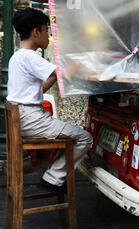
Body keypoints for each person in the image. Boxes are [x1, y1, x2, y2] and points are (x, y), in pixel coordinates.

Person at [7, 8, 93, 194]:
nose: (49, 35)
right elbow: (66, 73)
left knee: (72, 136)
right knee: (84, 137)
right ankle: (54, 178)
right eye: (47, 30)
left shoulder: (17, 57)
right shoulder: (30, 56)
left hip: (24, 117)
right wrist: (79, 61)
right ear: (36, 32)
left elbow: (38, 90)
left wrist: (55, 75)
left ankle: (54, 175)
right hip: (31, 119)